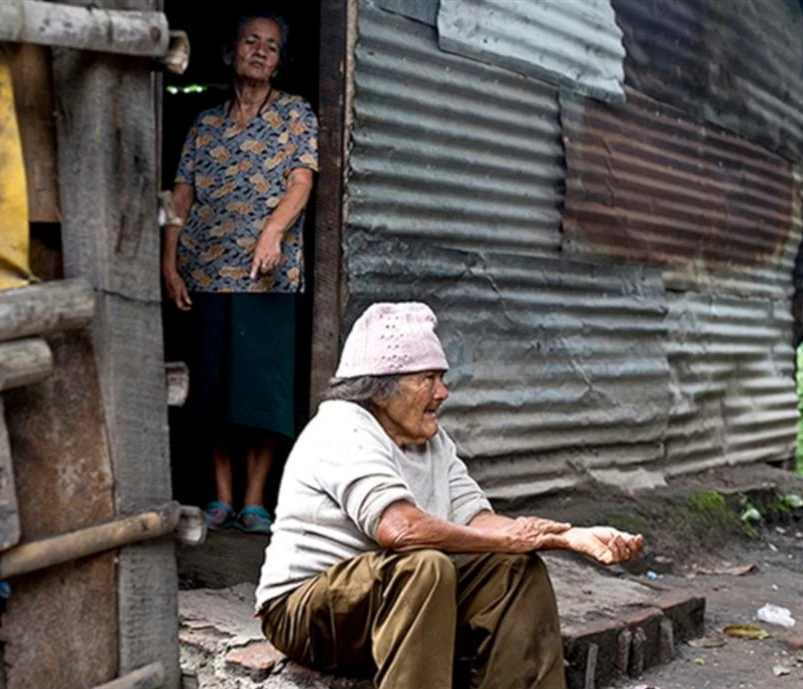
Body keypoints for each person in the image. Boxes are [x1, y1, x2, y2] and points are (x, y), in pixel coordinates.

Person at [256, 302, 645, 689]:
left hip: (394, 610)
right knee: (426, 566)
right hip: (302, 614)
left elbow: (476, 518)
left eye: (441, 377)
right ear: (379, 389)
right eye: (428, 378)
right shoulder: (342, 427)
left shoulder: (431, 441)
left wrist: (568, 537)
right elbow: (399, 530)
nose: (443, 392)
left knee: (514, 567)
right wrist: (508, 538)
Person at [162, 12, 318, 533]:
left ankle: (256, 500)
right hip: (206, 271)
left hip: (266, 275)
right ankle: (221, 497)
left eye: (271, 47)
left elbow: (301, 182)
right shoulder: (205, 123)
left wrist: (272, 232)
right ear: (230, 54)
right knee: (213, 388)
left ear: (279, 64)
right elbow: (181, 194)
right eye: (250, 41)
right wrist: (169, 260)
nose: (260, 51)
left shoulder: (296, 114)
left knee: (261, 389)